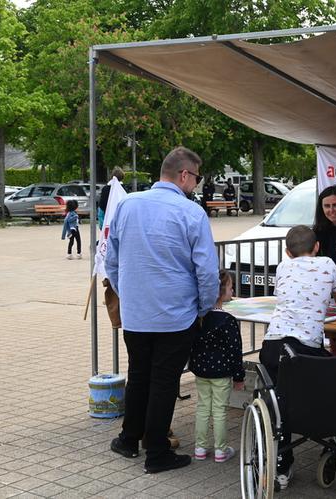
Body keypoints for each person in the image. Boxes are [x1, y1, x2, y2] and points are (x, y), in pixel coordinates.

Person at [106, 146, 220, 474]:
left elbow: (112, 261)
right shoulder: (191, 212)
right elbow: (206, 271)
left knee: (140, 376)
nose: (197, 185)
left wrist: (127, 294)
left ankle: (129, 439)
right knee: (164, 382)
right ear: (184, 175)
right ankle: (157, 452)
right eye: (196, 178)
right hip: (176, 315)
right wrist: (202, 307)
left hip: (137, 314)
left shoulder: (127, 205)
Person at [259, 225, 336, 490]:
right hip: (307, 349)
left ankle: (283, 461)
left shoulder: (282, 267)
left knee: (279, 400)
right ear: (318, 247)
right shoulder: (328, 264)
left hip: (273, 346)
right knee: (324, 385)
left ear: (287, 252)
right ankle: (329, 439)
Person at [189, 270, 245, 463]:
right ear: (222, 292)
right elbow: (235, 351)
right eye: (230, 287)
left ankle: (200, 448)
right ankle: (220, 450)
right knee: (220, 410)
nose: (233, 290)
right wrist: (239, 376)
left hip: (201, 371)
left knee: (203, 407)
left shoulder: (198, 318)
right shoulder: (227, 321)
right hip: (221, 373)